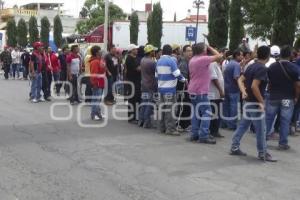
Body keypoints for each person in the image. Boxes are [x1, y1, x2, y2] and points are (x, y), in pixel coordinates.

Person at [230, 45, 277, 162]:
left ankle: (234, 146)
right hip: (255, 103)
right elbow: (254, 86)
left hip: (248, 102)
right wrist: (261, 102)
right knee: (261, 129)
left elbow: (240, 80)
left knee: (243, 126)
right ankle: (263, 153)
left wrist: (243, 92)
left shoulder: (251, 66)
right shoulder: (262, 68)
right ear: (268, 55)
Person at [265, 45, 300, 150]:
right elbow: (297, 85)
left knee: (269, 119)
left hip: (273, 97)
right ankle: (283, 143)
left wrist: (270, 93)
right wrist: (296, 97)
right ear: (290, 55)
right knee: (285, 120)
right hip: (287, 98)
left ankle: (264, 138)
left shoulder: (272, 67)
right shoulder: (294, 68)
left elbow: (269, 83)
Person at [188, 43, 223, 144]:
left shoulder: (193, 59)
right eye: (205, 48)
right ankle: (203, 135)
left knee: (195, 112)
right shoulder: (202, 59)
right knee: (207, 112)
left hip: (193, 89)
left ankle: (194, 134)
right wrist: (210, 47)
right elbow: (220, 56)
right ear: (203, 50)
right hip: (201, 90)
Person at [156, 44, 186, 136]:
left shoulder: (159, 61)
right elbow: (177, 73)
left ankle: (162, 128)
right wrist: (184, 79)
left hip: (161, 88)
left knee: (162, 109)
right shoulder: (171, 61)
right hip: (170, 89)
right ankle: (171, 129)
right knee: (171, 109)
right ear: (171, 52)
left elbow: (156, 76)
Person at [222, 49, 243, 130]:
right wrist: (241, 86)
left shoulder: (229, 63)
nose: (242, 56)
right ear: (237, 56)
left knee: (226, 106)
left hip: (226, 87)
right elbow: (236, 77)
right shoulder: (236, 65)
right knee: (233, 106)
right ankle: (232, 125)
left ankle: (224, 123)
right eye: (241, 55)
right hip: (234, 89)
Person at [138, 44, 157, 128]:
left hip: (144, 84)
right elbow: (156, 72)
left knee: (144, 102)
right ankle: (146, 121)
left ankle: (141, 120)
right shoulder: (152, 62)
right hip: (150, 85)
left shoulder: (143, 60)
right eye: (153, 51)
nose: (154, 52)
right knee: (150, 103)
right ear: (150, 52)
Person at [176, 45, 192, 132]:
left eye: (191, 50)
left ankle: (185, 124)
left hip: (186, 88)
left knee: (186, 106)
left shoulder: (188, 61)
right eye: (188, 51)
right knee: (183, 106)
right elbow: (183, 78)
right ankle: (181, 124)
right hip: (183, 88)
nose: (190, 52)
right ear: (184, 52)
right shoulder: (183, 63)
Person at [208, 59, 225, 138]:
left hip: (217, 94)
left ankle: (215, 130)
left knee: (217, 112)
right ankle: (212, 131)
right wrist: (220, 90)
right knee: (214, 112)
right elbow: (214, 78)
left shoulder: (217, 64)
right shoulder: (212, 64)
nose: (221, 56)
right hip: (213, 93)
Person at [125, 44, 141, 123]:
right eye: (135, 49)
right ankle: (131, 118)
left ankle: (136, 116)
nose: (137, 50)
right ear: (131, 50)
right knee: (132, 100)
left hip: (137, 81)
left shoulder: (136, 58)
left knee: (137, 99)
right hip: (131, 81)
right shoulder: (129, 59)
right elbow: (138, 69)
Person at [90, 46, 106, 121]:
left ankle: (98, 113)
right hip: (98, 83)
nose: (101, 51)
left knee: (97, 99)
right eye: (100, 50)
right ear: (96, 52)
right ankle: (94, 114)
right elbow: (94, 74)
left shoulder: (98, 60)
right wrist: (95, 83)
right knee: (96, 99)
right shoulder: (95, 62)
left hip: (100, 82)